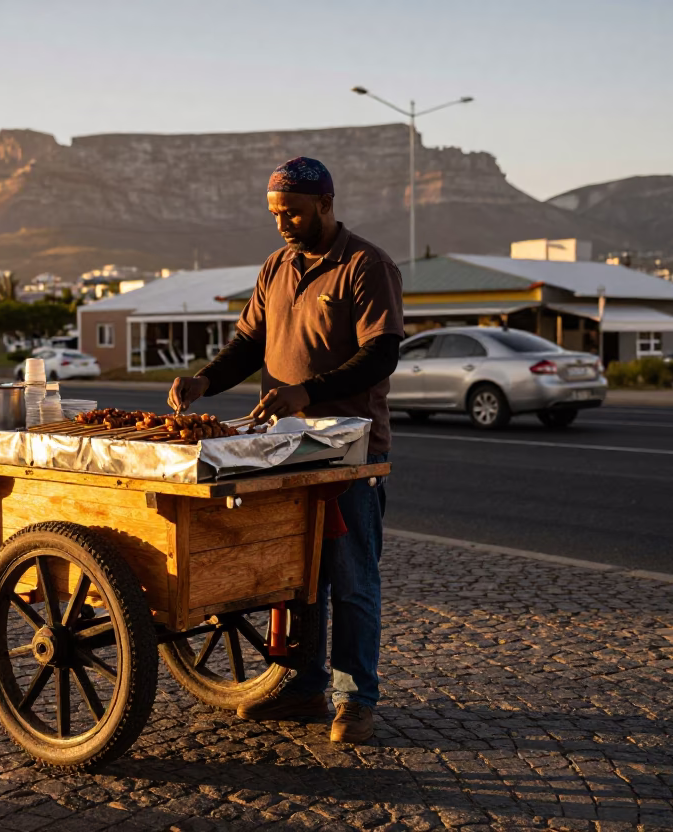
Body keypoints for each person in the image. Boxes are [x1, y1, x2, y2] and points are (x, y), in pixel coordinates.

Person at [168, 157, 403, 744]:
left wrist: (307, 391)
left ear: (325, 203)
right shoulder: (276, 265)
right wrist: (204, 381)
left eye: (293, 212)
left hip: (349, 452)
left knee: (351, 582)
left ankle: (355, 699)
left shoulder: (366, 266)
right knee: (292, 576)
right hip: (281, 450)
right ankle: (300, 688)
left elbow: (382, 354)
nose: (283, 224)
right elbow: (249, 342)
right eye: (275, 213)